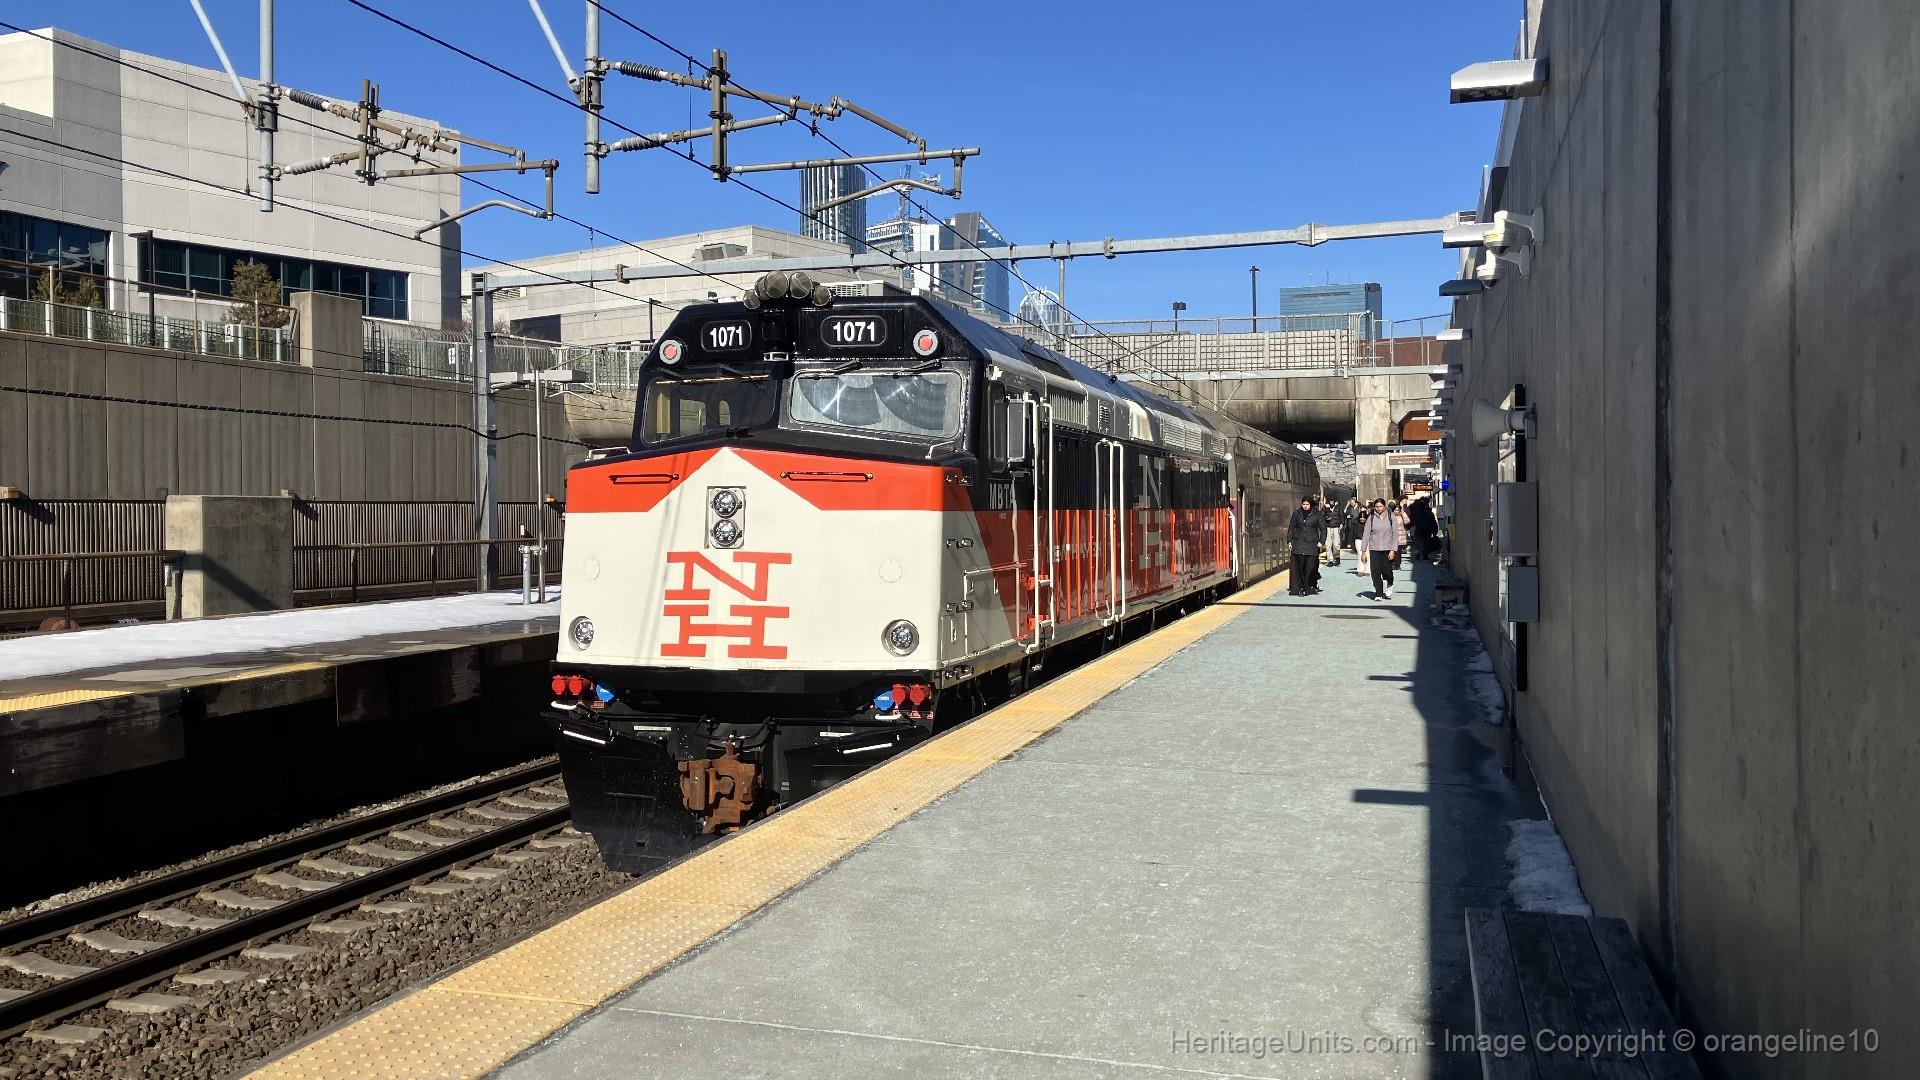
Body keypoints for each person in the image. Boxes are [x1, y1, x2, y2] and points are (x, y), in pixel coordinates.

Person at [1359, 497, 1406, 601]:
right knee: (1375, 571)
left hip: (1387, 548)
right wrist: (1363, 551)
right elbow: (1366, 534)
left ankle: (1390, 584)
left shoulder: (1390, 516)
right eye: (1376, 506)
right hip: (1374, 548)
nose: (1378, 508)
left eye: (1380, 506)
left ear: (1384, 506)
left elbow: (1395, 534)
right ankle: (1378, 593)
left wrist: (1393, 550)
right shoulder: (1371, 517)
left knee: (1387, 571)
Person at [1286, 496, 1324, 596]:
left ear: (1311, 505)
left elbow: (1323, 529)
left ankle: (1310, 585)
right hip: (1298, 543)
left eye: (1307, 504)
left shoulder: (1317, 514)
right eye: (1303, 504)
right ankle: (1300, 587)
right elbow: (1291, 527)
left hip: (1312, 544)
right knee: (1299, 567)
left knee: (1311, 567)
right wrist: (1289, 541)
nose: (1305, 506)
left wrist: (1321, 541)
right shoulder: (1296, 513)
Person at [1407, 496, 1439, 562]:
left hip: (1418, 531)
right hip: (1427, 531)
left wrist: (1408, 527)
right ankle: (1425, 555)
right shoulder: (1429, 513)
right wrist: (1435, 531)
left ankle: (1418, 554)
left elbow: (1412, 521)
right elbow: (1433, 523)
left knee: (1418, 543)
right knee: (1425, 543)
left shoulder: (1416, 513)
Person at [1346, 498, 1366, 575]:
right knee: (1360, 554)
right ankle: (1360, 570)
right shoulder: (1356, 522)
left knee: (1367, 554)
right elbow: (1351, 532)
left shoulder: (1369, 521)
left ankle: (1367, 569)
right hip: (1358, 538)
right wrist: (1349, 542)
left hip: (1367, 539)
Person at [1320, 498, 1343, 566]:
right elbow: (1321, 516)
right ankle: (1330, 560)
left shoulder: (1338, 507)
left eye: (1333, 500)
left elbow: (1341, 515)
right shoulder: (1325, 508)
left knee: (1336, 544)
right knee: (1328, 544)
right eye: (1330, 500)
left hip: (1336, 527)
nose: (1332, 502)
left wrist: (1342, 523)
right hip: (1328, 527)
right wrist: (1326, 518)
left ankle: (1337, 557)